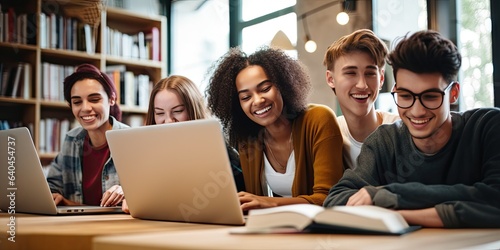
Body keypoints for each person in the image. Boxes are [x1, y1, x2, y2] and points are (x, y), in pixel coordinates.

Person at [323, 30, 500, 228]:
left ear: (453, 94)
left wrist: (394, 199)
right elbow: (336, 201)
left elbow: (495, 197)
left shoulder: (487, 127)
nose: (417, 111)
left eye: (430, 97)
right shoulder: (384, 142)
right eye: (405, 96)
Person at [206, 47, 344, 211]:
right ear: (238, 105)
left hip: (321, 230)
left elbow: (328, 198)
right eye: (246, 97)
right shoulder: (248, 142)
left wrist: (268, 202)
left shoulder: (318, 119)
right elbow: (252, 201)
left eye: (265, 89)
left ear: (283, 85)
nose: (257, 101)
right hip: (280, 228)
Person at [118, 75, 247, 214]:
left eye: (178, 111)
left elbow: (241, 196)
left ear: (193, 109)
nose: (168, 121)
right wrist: (132, 198)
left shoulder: (219, 149)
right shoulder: (148, 153)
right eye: (160, 113)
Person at [46, 63, 129, 208]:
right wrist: (54, 196)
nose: (85, 108)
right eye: (77, 102)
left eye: (94, 99)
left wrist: (127, 194)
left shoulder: (132, 140)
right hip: (76, 226)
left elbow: (145, 196)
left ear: (112, 99)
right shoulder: (71, 140)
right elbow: (51, 187)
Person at [324, 29, 399, 170]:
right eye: (351, 73)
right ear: (330, 79)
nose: (362, 85)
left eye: (370, 73)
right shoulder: (328, 136)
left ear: (381, 78)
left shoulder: (400, 130)